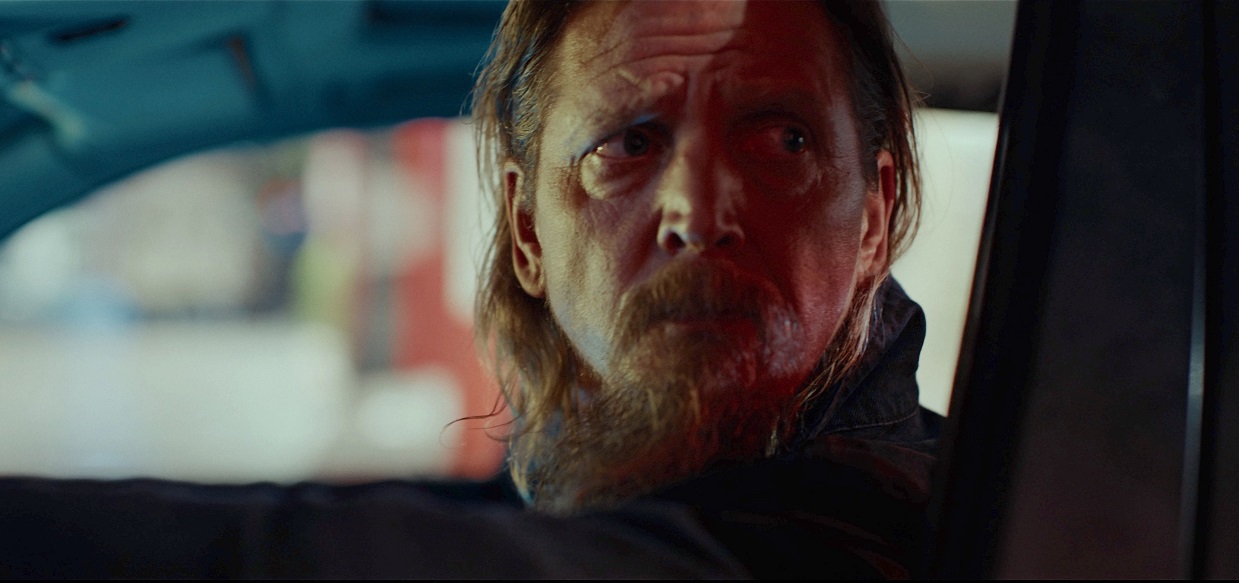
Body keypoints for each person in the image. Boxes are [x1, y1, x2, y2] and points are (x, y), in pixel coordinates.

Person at [0, 0, 938, 578]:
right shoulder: (610, 483)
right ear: (528, 234)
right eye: (629, 144)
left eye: (782, 140)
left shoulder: (894, 525)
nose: (697, 209)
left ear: (873, 216)